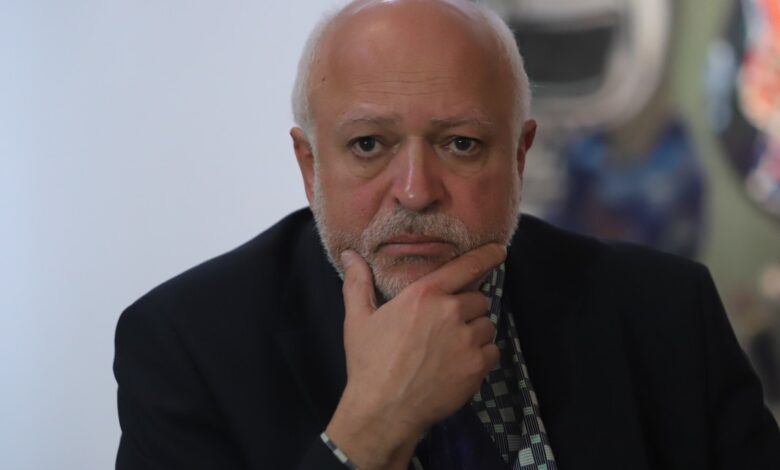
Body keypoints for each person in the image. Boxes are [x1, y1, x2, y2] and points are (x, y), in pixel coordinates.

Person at [113, 1, 780, 469]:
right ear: (309, 165)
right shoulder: (185, 344)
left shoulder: (665, 310)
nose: (415, 190)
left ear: (518, 156)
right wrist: (371, 431)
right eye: (369, 144)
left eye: (460, 143)